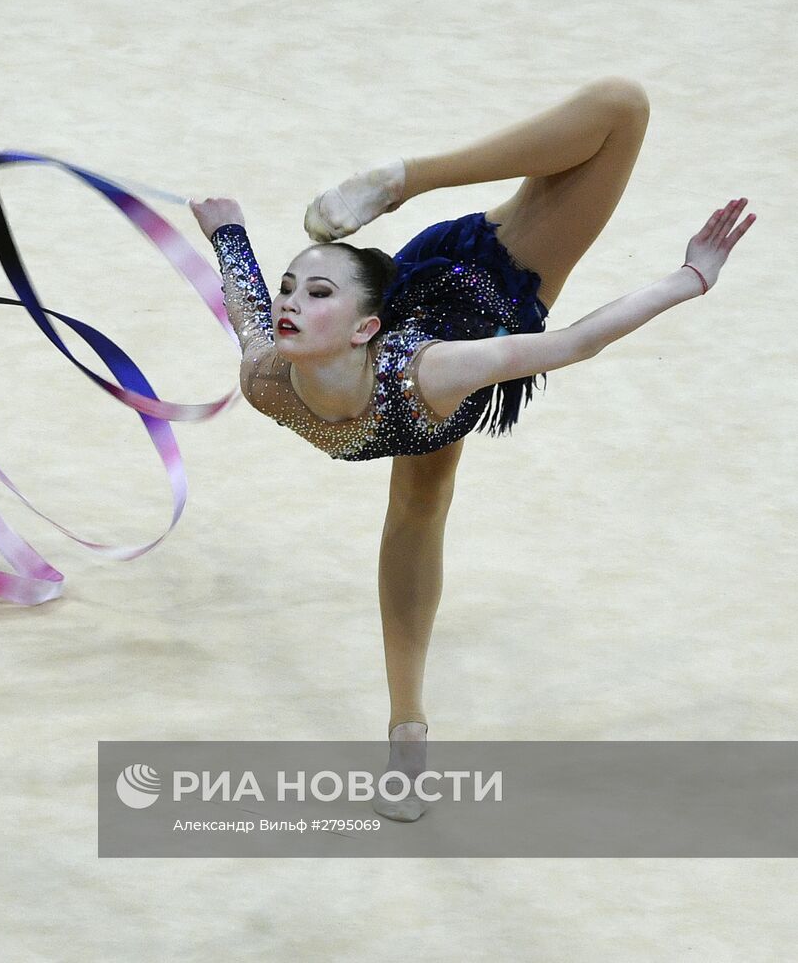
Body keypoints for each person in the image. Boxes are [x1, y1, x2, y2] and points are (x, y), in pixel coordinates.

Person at [188, 76, 755, 821]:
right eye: (293, 287)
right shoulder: (267, 380)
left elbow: (574, 342)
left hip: (484, 286)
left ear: (363, 326)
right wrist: (228, 233)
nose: (289, 300)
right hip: (409, 340)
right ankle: (408, 733)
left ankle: (405, 179)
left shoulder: (435, 371)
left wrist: (691, 277)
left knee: (622, 109)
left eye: (316, 292)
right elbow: (250, 312)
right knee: (418, 505)